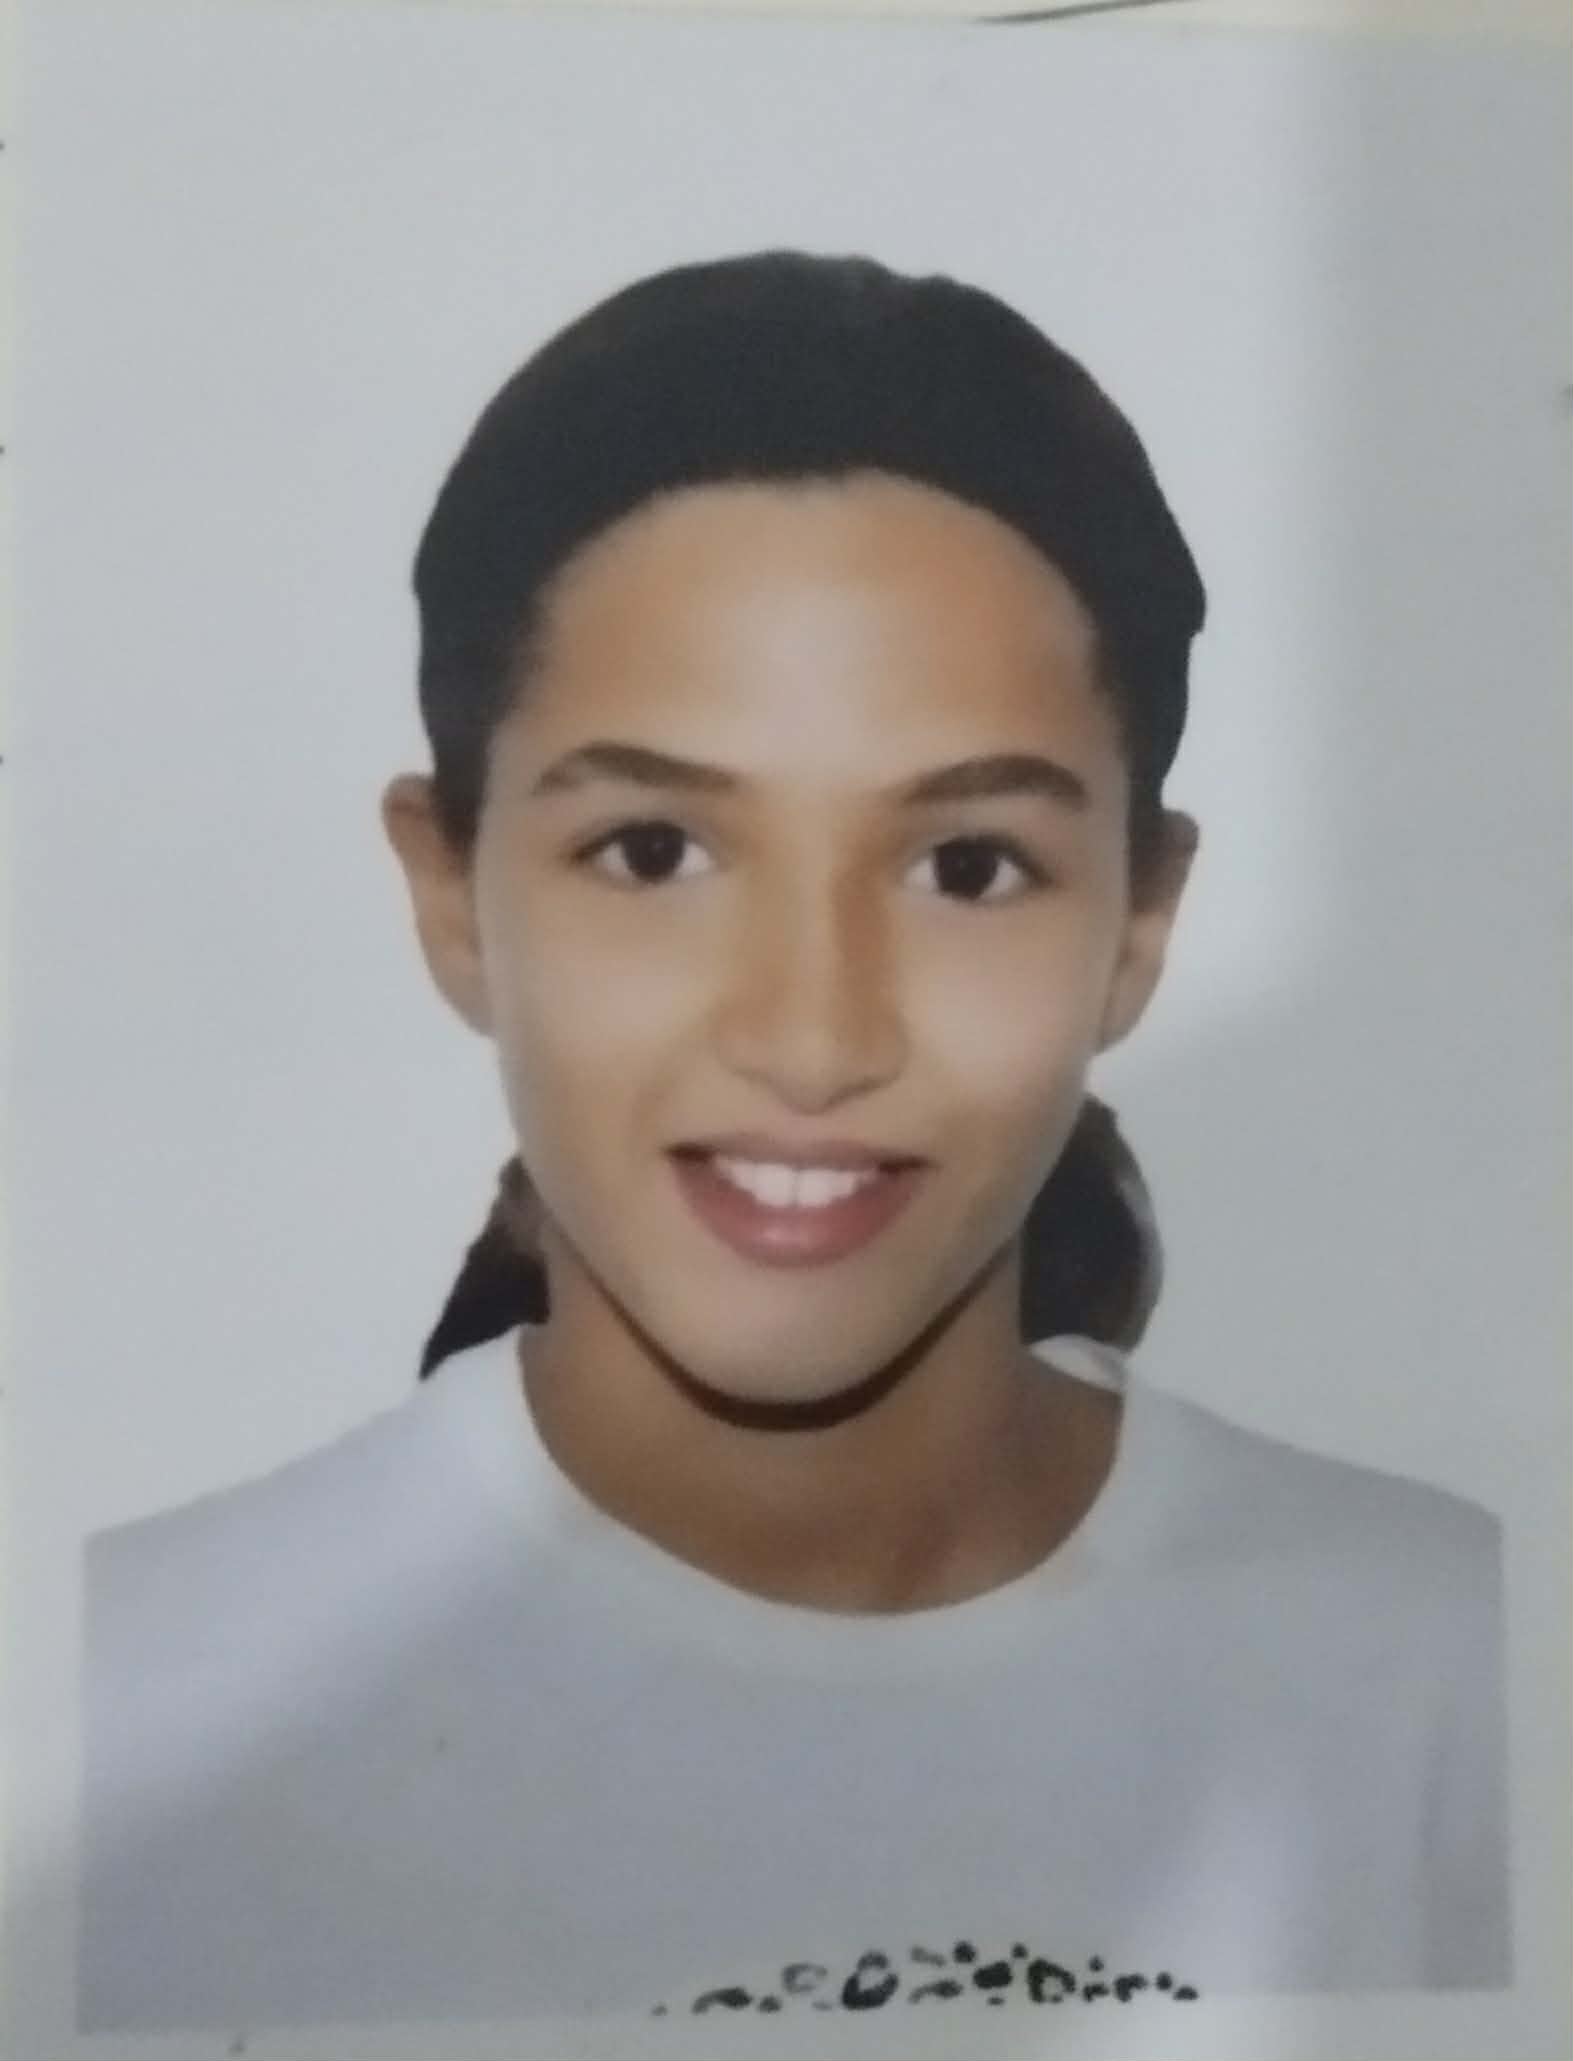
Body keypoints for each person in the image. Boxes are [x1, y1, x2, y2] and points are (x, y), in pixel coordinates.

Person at [79, 252, 1510, 2035]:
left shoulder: (1458, 1676)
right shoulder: (112, 1714)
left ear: (1136, 923)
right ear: (451, 894)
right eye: (654, 853)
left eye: (966, 866)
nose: (812, 1038)